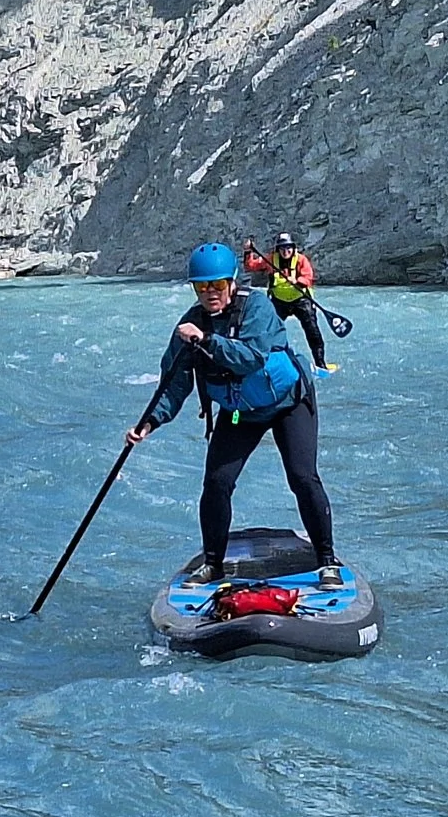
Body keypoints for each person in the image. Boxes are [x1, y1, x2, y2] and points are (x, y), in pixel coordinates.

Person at [128, 242, 341, 586]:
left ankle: (326, 561)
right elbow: (173, 383)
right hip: (240, 412)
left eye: (216, 284)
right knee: (216, 482)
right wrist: (149, 422)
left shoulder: (257, 307)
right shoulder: (190, 325)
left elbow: (251, 358)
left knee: (302, 477)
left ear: (231, 281)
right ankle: (213, 564)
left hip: (288, 403)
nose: (209, 293)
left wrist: (206, 341)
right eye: (201, 287)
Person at [244, 231, 332, 369]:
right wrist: (248, 251)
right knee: (268, 331)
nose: (285, 251)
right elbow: (250, 266)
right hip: (279, 301)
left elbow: (308, 278)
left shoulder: (301, 260)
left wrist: (297, 280)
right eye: (282, 248)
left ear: (293, 248)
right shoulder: (271, 259)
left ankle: (320, 364)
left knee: (313, 332)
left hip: (300, 300)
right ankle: (266, 362)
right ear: (278, 249)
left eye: (288, 248)